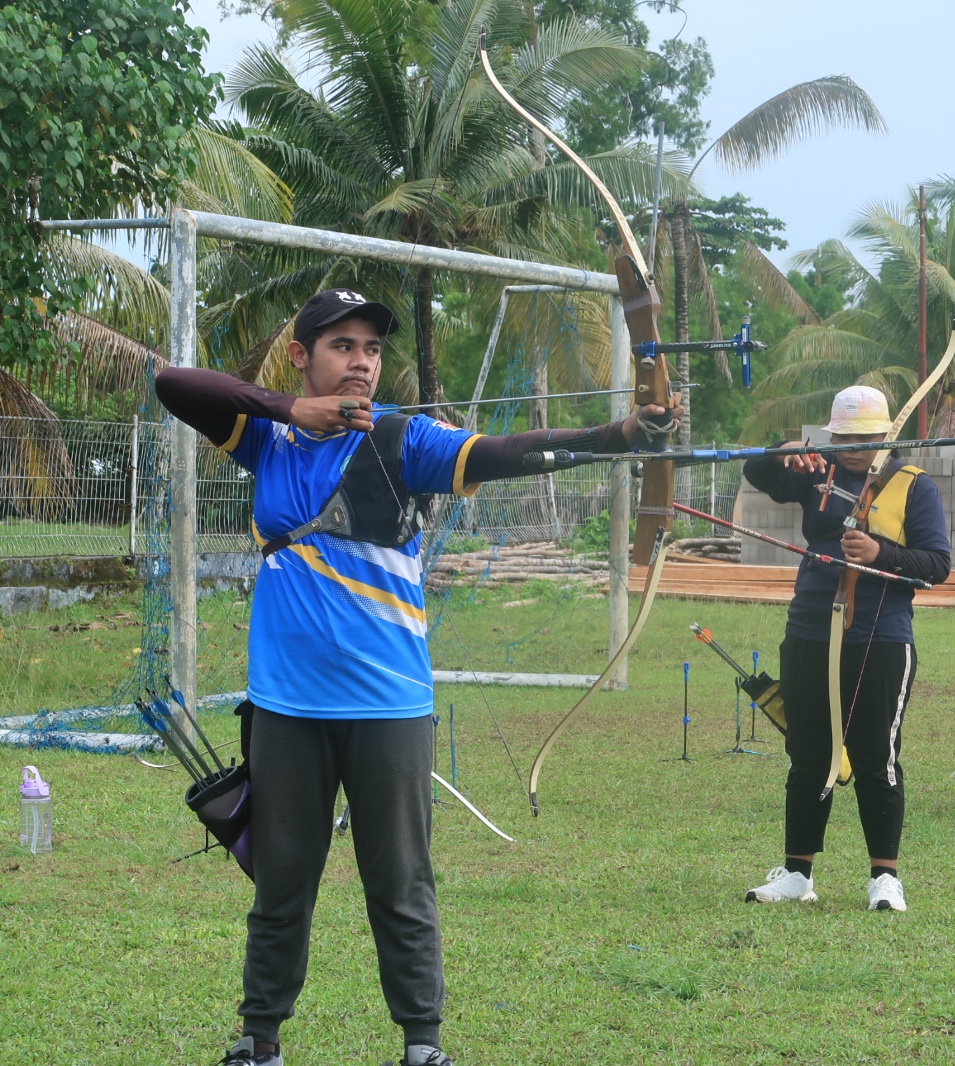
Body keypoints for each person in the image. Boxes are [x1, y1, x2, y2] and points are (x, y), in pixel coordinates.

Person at [155, 289, 681, 1066]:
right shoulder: (267, 440)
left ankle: (421, 1044)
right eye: (341, 345)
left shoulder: (404, 440)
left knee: (399, 883)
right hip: (287, 708)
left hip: (388, 708)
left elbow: (508, 451)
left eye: (370, 348)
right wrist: (291, 411)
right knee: (281, 885)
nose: (361, 361)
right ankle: (258, 1038)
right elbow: (173, 384)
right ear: (303, 356)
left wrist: (622, 434)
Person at [739, 385, 950, 913]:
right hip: (810, 626)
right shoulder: (818, 473)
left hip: (880, 637)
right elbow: (758, 475)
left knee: (877, 756)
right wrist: (781, 450)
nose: (852, 447)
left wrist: (882, 552)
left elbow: (937, 565)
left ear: (885, 435)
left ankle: (885, 878)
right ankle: (796, 873)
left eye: (864, 438)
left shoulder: (913, 486)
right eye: (843, 437)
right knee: (808, 754)